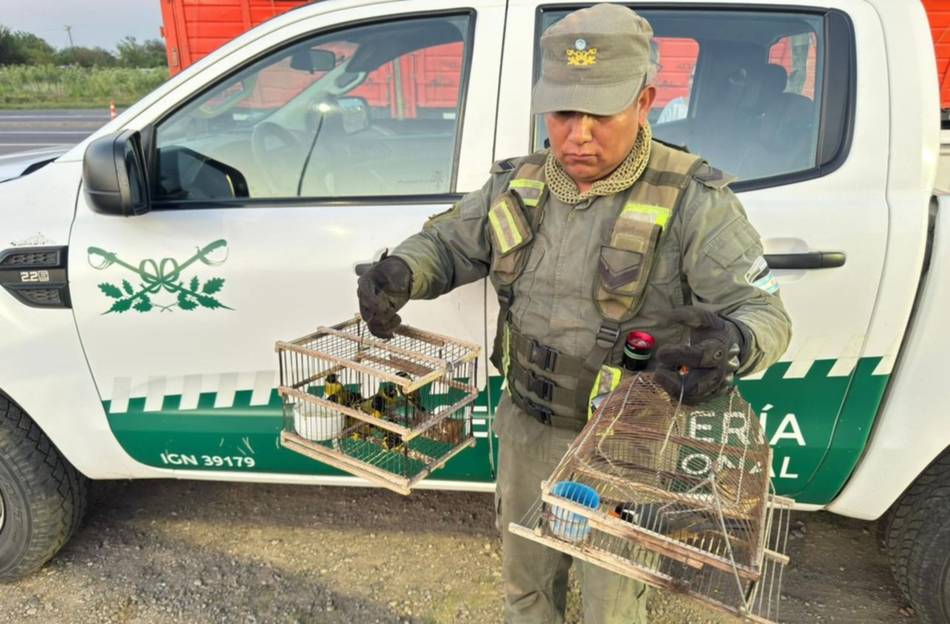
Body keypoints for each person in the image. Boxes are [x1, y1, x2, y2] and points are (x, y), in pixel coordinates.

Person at [356, 4, 791, 622]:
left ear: (644, 102)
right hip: (528, 426)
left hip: (623, 445)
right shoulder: (520, 184)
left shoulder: (693, 198)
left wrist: (735, 341)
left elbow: (762, 310)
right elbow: (452, 243)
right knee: (526, 587)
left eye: (600, 114)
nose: (577, 136)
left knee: (613, 602)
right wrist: (402, 271)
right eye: (562, 113)